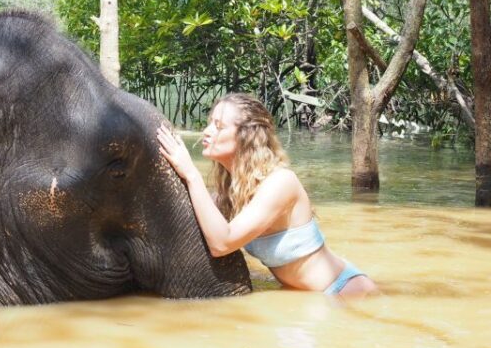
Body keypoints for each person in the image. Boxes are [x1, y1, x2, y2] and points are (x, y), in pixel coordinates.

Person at [156, 93, 377, 297]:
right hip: (303, 296)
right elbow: (199, 219)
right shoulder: (232, 188)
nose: (207, 131)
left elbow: (222, 243)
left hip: (344, 292)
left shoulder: (280, 182)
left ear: (246, 136)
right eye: (209, 123)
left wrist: (192, 173)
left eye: (218, 126)